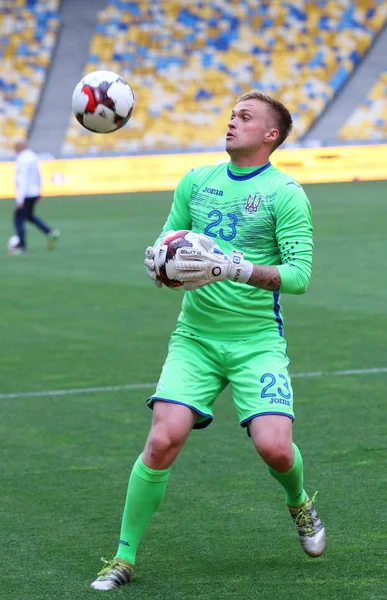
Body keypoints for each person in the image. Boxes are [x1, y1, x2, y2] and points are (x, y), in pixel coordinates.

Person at [90, 90, 326, 591]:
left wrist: (236, 268)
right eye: (231, 114)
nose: (231, 122)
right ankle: (122, 558)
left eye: (245, 117)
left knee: (275, 450)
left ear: (271, 135)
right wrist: (158, 263)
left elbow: (300, 275)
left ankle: (300, 502)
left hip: (256, 341)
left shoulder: (286, 193)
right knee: (161, 440)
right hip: (194, 337)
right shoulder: (197, 181)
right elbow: (168, 242)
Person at [11, 140, 60, 254]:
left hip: (26, 193)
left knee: (18, 220)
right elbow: (38, 175)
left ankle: (22, 246)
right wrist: (38, 191)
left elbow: (21, 179)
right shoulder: (33, 157)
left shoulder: (22, 159)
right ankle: (49, 232)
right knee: (28, 216)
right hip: (33, 192)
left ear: (19, 147)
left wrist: (19, 199)